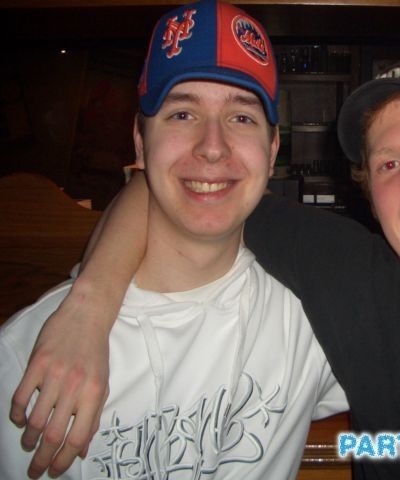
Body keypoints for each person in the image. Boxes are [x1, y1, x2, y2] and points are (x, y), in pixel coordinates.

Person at [10, 58, 400, 478]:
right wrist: (89, 305)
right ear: (369, 193)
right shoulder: (352, 282)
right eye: (387, 163)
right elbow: (179, 183)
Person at [0, 1, 348, 478]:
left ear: (272, 151)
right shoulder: (27, 356)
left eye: (241, 117)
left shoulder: (308, 323)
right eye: (183, 113)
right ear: (140, 143)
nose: (212, 147)